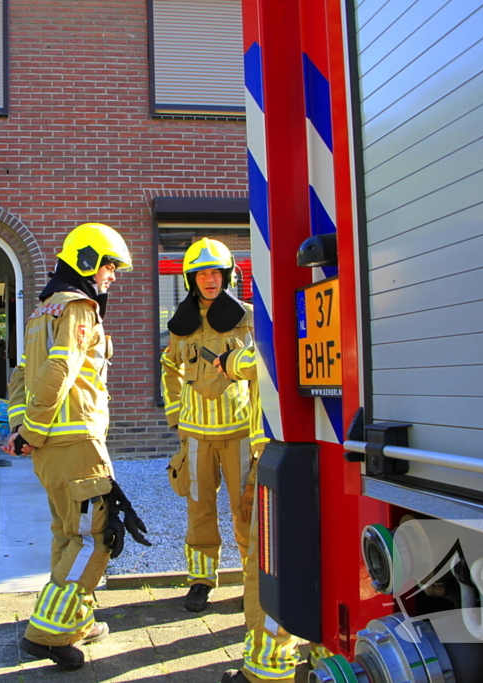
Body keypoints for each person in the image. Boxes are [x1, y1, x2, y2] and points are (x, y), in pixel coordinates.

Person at [3, 222, 149, 671]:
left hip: (49, 449)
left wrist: (21, 431)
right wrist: (32, 431)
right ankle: (47, 635)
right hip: (76, 442)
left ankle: (77, 619)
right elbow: (58, 372)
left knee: (67, 532)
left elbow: (19, 377)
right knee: (97, 536)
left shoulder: (40, 310)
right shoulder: (80, 308)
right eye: (109, 266)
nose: (112, 276)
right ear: (87, 261)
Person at [160, 237, 254, 613]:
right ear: (191, 279)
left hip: (240, 434)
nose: (210, 280)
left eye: (216, 272)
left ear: (227, 275)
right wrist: (176, 418)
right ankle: (201, 580)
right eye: (202, 273)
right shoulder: (181, 325)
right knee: (199, 509)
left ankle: (254, 582)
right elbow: (169, 368)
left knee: (245, 510)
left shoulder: (247, 317)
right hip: (196, 435)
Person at [213, 345, 304, 682]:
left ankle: (267, 670)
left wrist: (231, 361)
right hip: (284, 452)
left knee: (272, 566)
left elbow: (270, 357)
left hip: (277, 453)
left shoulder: (277, 326)